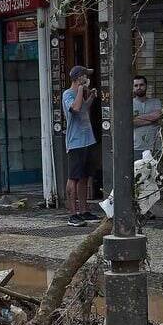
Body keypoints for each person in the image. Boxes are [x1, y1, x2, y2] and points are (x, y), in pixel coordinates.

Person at [62, 65, 98, 228]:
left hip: (88, 140)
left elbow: (83, 109)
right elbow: (75, 109)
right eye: (84, 76)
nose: (87, 79)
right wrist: (81, 90)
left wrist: (90, 97)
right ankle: (72, 214)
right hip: (75, 142)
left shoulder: (80, 94)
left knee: (84, 176)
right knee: (74, 177)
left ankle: (84, 210)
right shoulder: (68, 94)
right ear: (78, 79)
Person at [132, 75, 163, 161]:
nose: (139, 87)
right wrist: (151, 119)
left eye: (141, 85)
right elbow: (131, 122)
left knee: (156, 173)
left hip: (154, 146)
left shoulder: (156, 102)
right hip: (137, 147)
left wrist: (137, 118)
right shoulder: (129, 104)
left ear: (146, 86)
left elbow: (157, 116)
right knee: (137, 173)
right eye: (136, 85)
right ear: (133, 88)